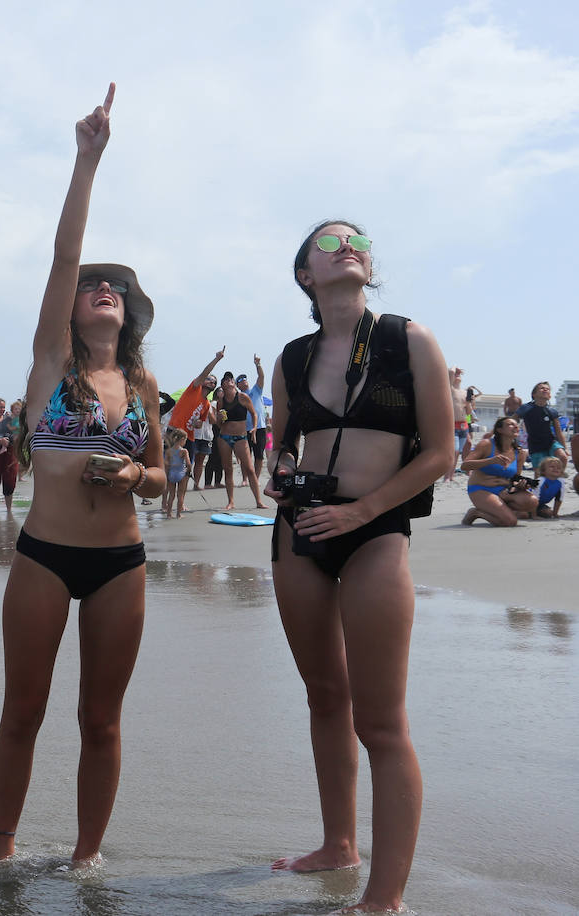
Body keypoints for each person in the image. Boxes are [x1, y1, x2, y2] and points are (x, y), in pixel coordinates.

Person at [0, 84, 164, 867]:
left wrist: (136, 473)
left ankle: (87, 857)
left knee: (103, 719)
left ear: (129, 315)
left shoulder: (146, 389)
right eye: (96, 286)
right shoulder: (51, 364)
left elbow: (161, 477)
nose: (103, 290)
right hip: (44, 556)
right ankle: (2, 848)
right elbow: (65, 256)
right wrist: (86, 160)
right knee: (23, 709)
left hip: (121, 562)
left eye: (117, 290)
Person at [265, 219, 453, 913]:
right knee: (324, 696)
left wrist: (358, 512)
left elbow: (440, 454)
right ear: (305, 276)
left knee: (380, 721)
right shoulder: (291, 357)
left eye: (360, 242)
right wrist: (282, 476)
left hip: (375, 531)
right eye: (329, 241)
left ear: (369, 271)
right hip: (300, 532)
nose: (349, 246)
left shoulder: (409, 340)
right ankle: (338, 844)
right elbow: (284, 443)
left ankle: (384, 897)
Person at [460, 417, 536, 527]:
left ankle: (501, 509)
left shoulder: (520, 453)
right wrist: (491, 460)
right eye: (510, 424)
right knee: (510, 522)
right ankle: (476, 513)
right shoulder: (486, 444)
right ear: (499, 430)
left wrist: (519, 485)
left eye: (517, 425)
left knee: (532, 502)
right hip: (481, 489)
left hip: (504, 490)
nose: (516, 426)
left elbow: (515, 478)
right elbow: (465, 465)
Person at [168, 350, 224, 498]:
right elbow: (205, 372)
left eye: (214, 382)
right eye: (209, 379)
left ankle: (181, 500)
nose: (211, 382)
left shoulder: (206, 404)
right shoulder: (195, 388)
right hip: (174, 430)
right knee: (169, 465)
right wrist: (216, 359)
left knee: (187, 468)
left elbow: (201, 423)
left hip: (189, 437)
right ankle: (164, 503)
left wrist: (198, 423)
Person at [211, 371, 267, 510]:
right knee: (228, 469)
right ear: (222, 386)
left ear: (234, 384)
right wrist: (219, 418)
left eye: (231, 379)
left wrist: (254, 428)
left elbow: (254, 413)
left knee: (249, 469)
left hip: (241, 437)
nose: (229, 381)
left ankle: (259, 501)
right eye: (226, 380)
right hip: (224, 437)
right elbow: (219, 424)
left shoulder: (243, 397)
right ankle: (231, 502)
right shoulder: (221, 401)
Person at [516, 382, 569, 471]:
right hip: (535, 445)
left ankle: (558, 478)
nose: (545, 389)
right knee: (539, 473)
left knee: (563, 457)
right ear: (534, 394)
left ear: (550, 396)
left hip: (551, 442)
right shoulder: (526, 408)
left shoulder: (552, 411)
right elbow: (511, 420)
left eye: (547, 389)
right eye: (541, 388)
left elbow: (558, 431)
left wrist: (565, 448)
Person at [238, 358, 268, 481]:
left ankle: (255, 478)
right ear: (238, 385)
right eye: (240, 380)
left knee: (259, 455)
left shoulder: (256, 390)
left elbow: (261, 376)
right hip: (245, 429)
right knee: (246, 456)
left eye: (245, 379)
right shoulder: (238, 396)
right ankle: (245, 479)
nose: (244, 381)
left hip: (259, 427)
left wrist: (258, 364)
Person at [161, 426, 192, 519]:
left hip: (171, 474)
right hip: (181, 473)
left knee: (171, 495)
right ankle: (178, 514)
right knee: (180, 495)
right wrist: (188, 472)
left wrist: (166, 475)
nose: (185, 442)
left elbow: (166, 464)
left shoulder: (168, 451)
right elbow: (189, 464)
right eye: (185, 440)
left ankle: (169, 514)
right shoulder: (184, 451)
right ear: (182, 439)